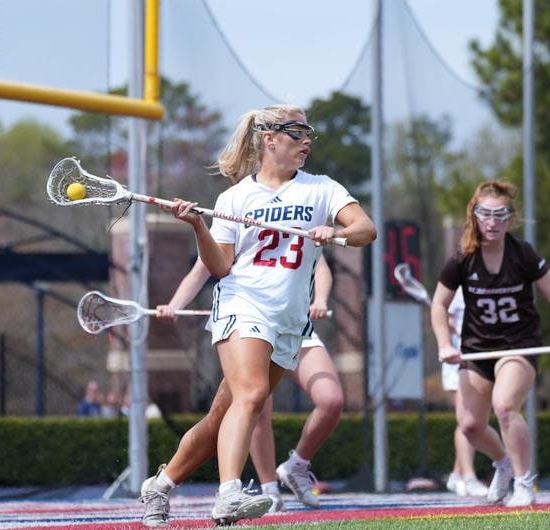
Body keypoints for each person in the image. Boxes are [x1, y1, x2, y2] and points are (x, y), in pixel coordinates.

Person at [138, 104, 376, 527]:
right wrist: (197, 226)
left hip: (288, 322)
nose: (306, 141)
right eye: (297, 132)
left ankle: (160, 486)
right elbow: (220, 267)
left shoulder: (322, 189)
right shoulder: (234, 197)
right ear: (269, 139)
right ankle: (229, 494)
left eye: (308, 134)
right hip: (242, 304)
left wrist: (336, 231)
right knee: (250, 396)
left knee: (219, 420)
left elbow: (365, 229)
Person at [430, 180, 550, 508]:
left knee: (506, 406)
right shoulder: (462, 259)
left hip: (518, 346)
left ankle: (524, 483)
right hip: (478, 349)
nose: (492, 222)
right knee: (469, 426)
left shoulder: (523, 255)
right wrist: (443, 345)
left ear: (511, 218)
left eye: (500, 215)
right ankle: (503, 463)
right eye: (485, 214)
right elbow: (438, 305)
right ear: (475, 216)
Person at [155, 255, 342, 513]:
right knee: (249, 403)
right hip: (250, 323)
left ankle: (296, 466)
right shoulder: (235, 218)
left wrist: (320, 298)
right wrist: (175, 304)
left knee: (330, 400)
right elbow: (204, 266)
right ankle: (262, 490)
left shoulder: (302, 214)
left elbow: (323, 257)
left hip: (293, 324)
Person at [441, 290, 489, 497]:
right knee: (466, 420)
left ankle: (456, 474)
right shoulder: (458, 287)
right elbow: (444, 320)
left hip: (481, 360)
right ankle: (468, 476)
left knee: (475, 420)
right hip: (458, 362)